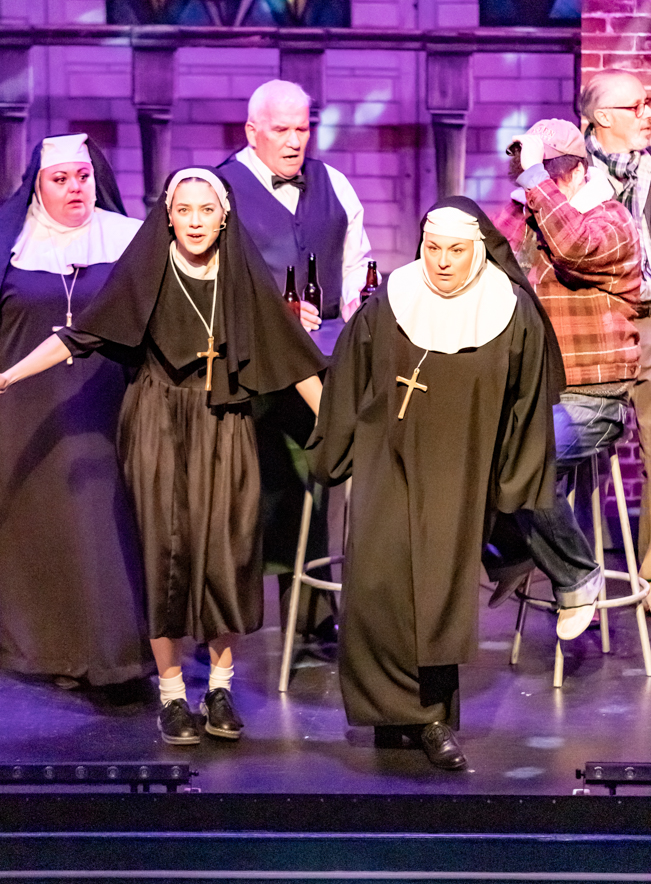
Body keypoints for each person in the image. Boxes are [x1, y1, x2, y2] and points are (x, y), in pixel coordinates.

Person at [0, 167, 325, 745]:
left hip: (225, 421)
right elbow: (79, 336)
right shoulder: (147, 271)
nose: (194, 221)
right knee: (164, 553)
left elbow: (295, 361)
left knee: (228, 551)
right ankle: (171, 693)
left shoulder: (242, 276)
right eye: (183, 210)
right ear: (168, 215)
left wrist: (337, 424)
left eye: (206, 210)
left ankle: (220, 687)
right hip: (156, 420)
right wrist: (9, 375)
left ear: (224, 216)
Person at [306, 198, 561, 770]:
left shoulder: (508, 310)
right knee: (378, 583)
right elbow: (349, 376)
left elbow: (527, 402)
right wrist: (335, 450)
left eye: (456, 250)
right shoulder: (391, 300)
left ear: (478, 252)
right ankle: (389, 712)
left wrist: (514, 485)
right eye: (433, 248)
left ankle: (430, 717)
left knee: (436, 591)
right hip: (386, 459)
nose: (442, 262)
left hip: (460, 469)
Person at [0, 133, 151, 689]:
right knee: (41, 530)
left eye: (83, 176)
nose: (75, 187)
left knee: (105, 526)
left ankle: (118, 657)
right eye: (60, 179)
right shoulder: (4, 248)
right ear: (38, 187)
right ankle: (49, 652)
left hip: (107, 402)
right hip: (22, 413)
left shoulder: (130, 238)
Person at [219, 79, 373, 640]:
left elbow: (356, 266)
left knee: (317, 477)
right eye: (281, 129)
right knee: (251, 491)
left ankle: (312, 616)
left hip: (319, 359)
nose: (294, 141)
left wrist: (360, 312)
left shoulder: (333, 184)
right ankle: (226, 619)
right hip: (246, 369)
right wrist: (267, 313)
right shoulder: (217, 190)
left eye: (302, 128)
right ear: (251, 131)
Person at [492, 118, 640, 639]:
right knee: (466, 449)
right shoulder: (531, 216)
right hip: (535, 394)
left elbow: (575, 247)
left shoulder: (611, 220)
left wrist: (535, 185)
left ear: (576, 171)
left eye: (548, 173)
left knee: (527, 462)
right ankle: (514, 551)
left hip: (593, 397)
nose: (537, 186)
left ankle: (576, 575)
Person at [580, 69, 651, 577]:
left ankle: (649, 578)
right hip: (589, 327)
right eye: (637, 106)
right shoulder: (570, 173)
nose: (648, 116)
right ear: (603, 117)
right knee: (579, 461)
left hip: (648, 322)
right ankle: (578, 582)